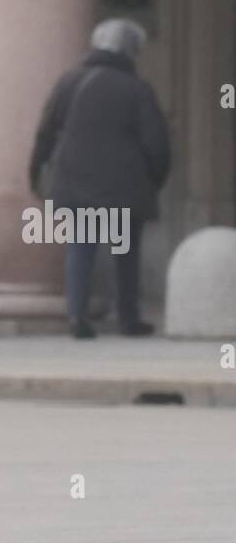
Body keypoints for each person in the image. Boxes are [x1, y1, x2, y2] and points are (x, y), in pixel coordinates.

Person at [29, 18, 171, 338]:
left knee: (81, 247)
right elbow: (157, 145)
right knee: (126, 253)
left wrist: (35, 171)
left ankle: (77, 317)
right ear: (131, 50)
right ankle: (128, 318)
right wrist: (154, 181)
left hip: (76, 182)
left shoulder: (70, 82)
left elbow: (46, 132)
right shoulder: (137, 89)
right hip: (125, 186)